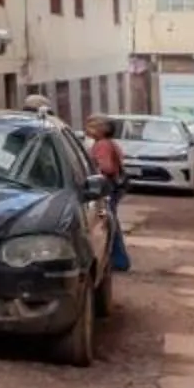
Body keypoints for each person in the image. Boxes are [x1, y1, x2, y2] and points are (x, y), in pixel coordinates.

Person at [86, 115, 132, 272]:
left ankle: (119, 260)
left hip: (107, 186)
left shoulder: (101, 145)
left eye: (91, 126)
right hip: (115, 185)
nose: (87, 129)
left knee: (108, 223)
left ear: (100, 129)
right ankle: (119, 259)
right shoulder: (110, 143)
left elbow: (107, 167)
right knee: (111, 221)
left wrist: (94, 169)